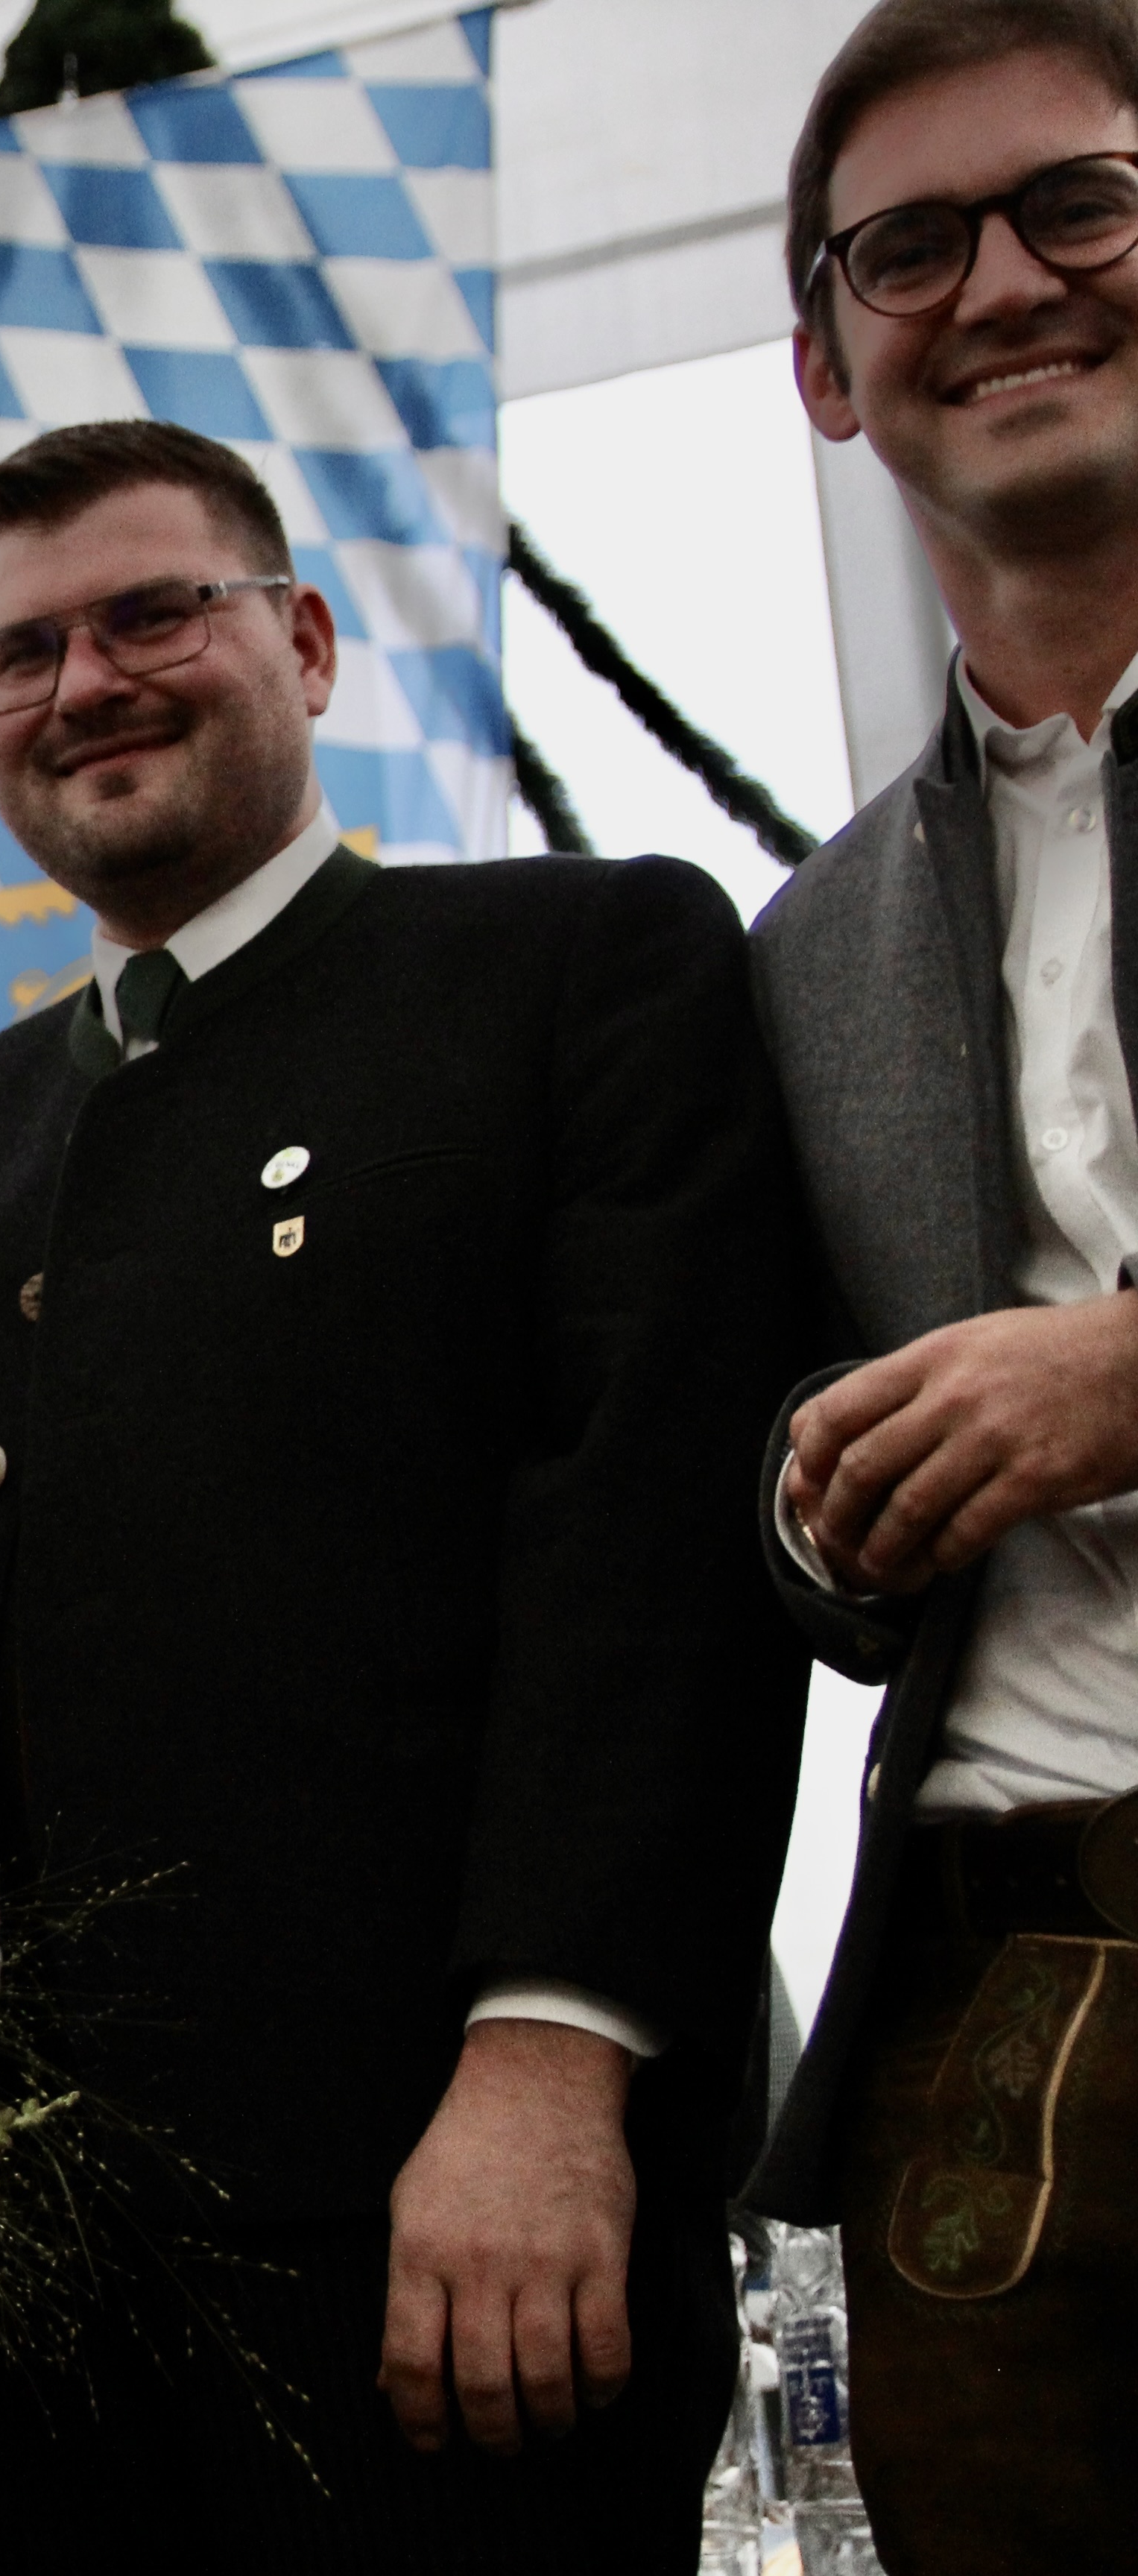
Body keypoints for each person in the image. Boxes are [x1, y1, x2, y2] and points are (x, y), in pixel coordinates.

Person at [0, 423, 814, 2569]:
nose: (87, 681)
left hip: (440, 2223)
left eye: (153, 613)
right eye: (21, 653)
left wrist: (557, 2066)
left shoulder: (578, 971)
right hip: (12, 2284)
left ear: (312, 643)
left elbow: (653, 1555)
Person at [747, 6, 1138, 2561]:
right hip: (1008, 1971)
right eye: (909, 248)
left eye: (1072, 209)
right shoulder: (798, 950)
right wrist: (818, 1506)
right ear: (820, 359)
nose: (996, 287)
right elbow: (793, 1526)